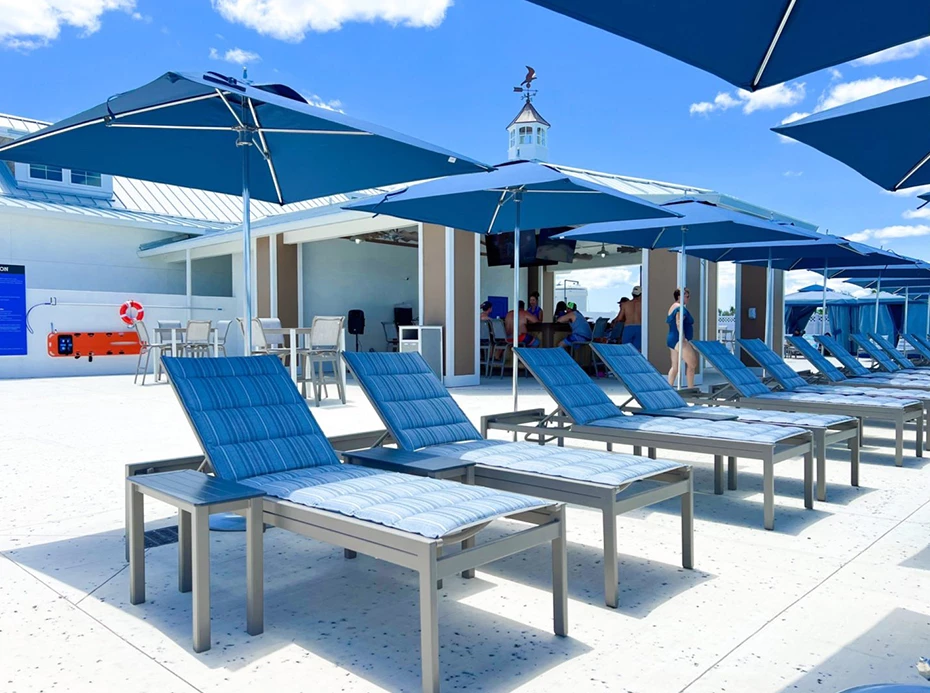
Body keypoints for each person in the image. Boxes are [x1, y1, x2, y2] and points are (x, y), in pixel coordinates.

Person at [667, 287, 697, 388]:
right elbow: (679, 322)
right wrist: (683, 338)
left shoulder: (672, 307)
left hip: (672, 339)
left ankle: (669, 388)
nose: (688, 298)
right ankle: (690, 388)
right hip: (679, 339)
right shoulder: (680, 308)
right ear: (679, 296)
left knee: (675, 367)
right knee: (692, 364)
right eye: (687, 296)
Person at [616, 285, 643, 351]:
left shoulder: (625, 304)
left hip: (628, 327)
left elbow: (619, 318)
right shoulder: (643, 304)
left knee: (626, 349)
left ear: (632, 294)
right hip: (639, 327)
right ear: (641, 294)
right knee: (637, 351)